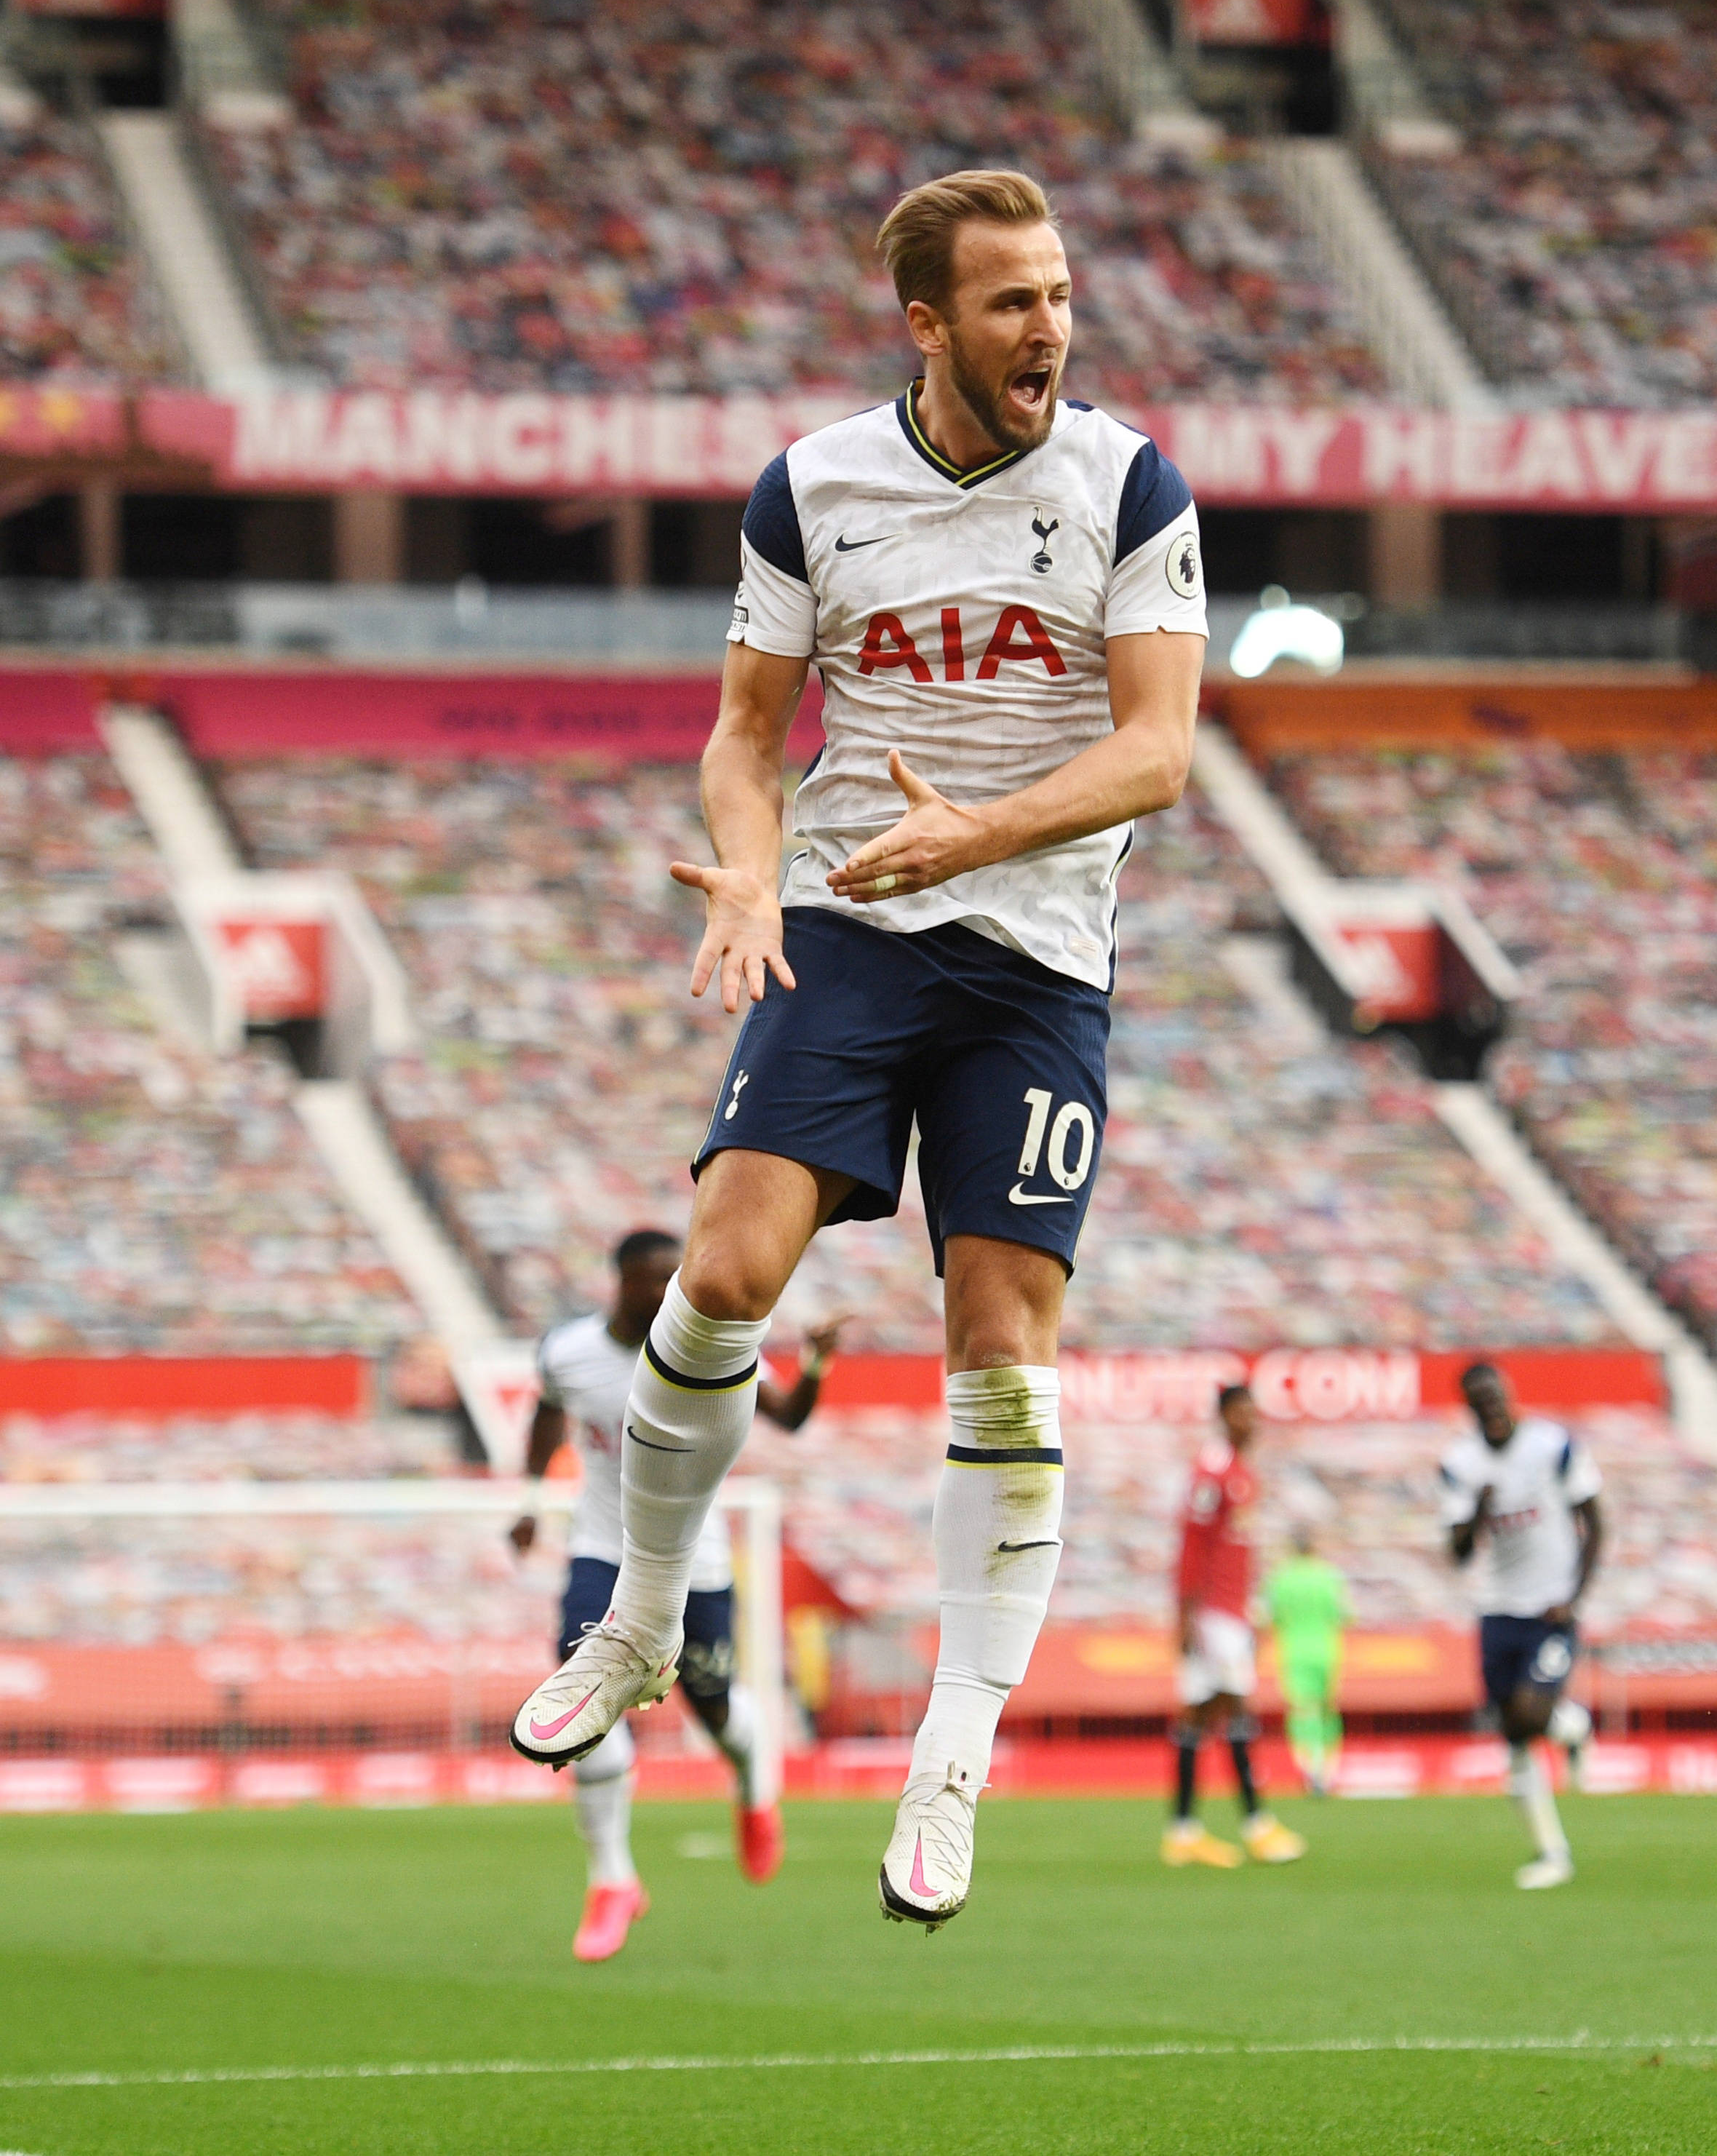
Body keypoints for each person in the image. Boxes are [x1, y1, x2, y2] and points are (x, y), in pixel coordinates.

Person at [508, 167, 1209, 1936]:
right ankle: (642, 1617)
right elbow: (746, 735)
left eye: (1058, 293)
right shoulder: (813, 486)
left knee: (1001, 1342)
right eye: (1009, 301)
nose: (1048, 326)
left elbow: (1158, 753)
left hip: (1033, 957)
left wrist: (967, 835)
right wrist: (754, 867)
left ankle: (954, 1743)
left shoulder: (1127, 481)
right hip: (844, 924)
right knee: (727, 1267)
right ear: (927, 323)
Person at [514, 1228, 844, 1961]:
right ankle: (612, 1879)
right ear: (621, 1280)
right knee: (578, 1703)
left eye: (676, 1274)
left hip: (695, 1564)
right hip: (602, 1552)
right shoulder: (567, 1352)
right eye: (653, 1277)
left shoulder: (704, 1349)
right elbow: (544, 1412)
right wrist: (530, 1498)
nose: (669, 1289)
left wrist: (817, 1362)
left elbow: (787, 1416)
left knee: (716, 1709)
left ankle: (754, 1784)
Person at [1441, 1362, 1604, 1891]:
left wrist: (1574, 1596)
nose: (1488, 1408)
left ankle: (1564, 1732)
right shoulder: (1459, 1464)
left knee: (1529, 1715)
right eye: (1476, 1402)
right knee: (1512, 1732)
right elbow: (1458, 1552)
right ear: (1468, 1409)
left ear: (1508, 1396)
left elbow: (1595, 1520)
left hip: (1549, 1610)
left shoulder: (1551, 1446)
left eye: (1493, 1397)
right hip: (1497, 1610)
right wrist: (1478, 1513)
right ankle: (1551, 1849)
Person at [1166, 1385, 1304, 1867]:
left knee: (1199, 1715)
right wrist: (1185, 1615)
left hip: (1230, 1610)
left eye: (1253, 1412)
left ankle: (1182, 1832)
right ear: (1223, 1417)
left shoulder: (1241, 1472)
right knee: (1236, 1709)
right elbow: (1192, 1543)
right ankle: (1256, 1825)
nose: (1252, 1421)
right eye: (1241, 1412)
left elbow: (1236, 1548)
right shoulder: (1214, 1470)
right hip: (1212, 1613)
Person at [1264, 1520, 1352, 1799]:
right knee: (1327, 1709)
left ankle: (1309, 1769)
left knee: (1302, 1712)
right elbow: (1345, 1614)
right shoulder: (1328, 1575)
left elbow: (1268, 1617)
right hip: (1327, 1650)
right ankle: (1327, 1769)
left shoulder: (1280, 1577)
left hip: (1294, 1651)